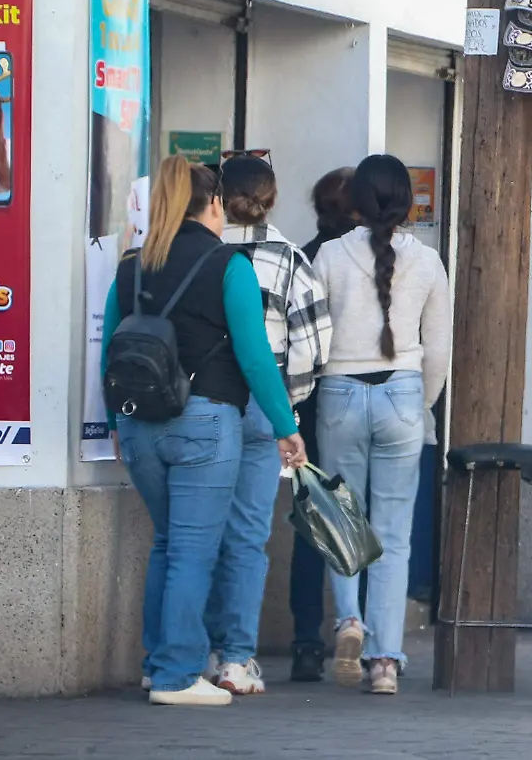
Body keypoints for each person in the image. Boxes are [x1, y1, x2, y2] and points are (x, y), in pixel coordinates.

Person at [102, 155, 306, 707]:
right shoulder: (229, 266)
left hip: (139, 423)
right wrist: (287, 428)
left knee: (169, 544)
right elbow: (256, 357)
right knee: (193, 548)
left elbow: (110, 349)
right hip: (206, 424)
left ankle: (155, 663)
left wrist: (113, 420)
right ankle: (176, 675)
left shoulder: (132, 266)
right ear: (213, 205)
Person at [312, 154, 451, 695]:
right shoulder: (428, 261)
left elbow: (312, 339)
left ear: (357, 202)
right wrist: (422, 404)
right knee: (393, 535)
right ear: (406, 202)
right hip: (403, 394)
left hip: (341, 391)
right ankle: (385, 662)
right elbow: (438, 347)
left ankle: (349, 619)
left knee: (343, 518)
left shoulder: (328, 256)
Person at [202, 156, 331, 695]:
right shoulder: (289, 258)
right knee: (248, 537)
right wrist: (287, 407)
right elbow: (312, 346)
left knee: (196, 533)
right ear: (271, 200)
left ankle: (198, 652)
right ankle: (235, 658)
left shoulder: (201, 253)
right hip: (263, 404)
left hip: (203, 400)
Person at [289, 166, 356, 682]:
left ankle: (307, 639)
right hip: (365, 398)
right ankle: (360, 626)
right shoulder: (376, 257)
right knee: (368, 517)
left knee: (312, 528)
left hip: (309, 408)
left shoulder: (306, 258)